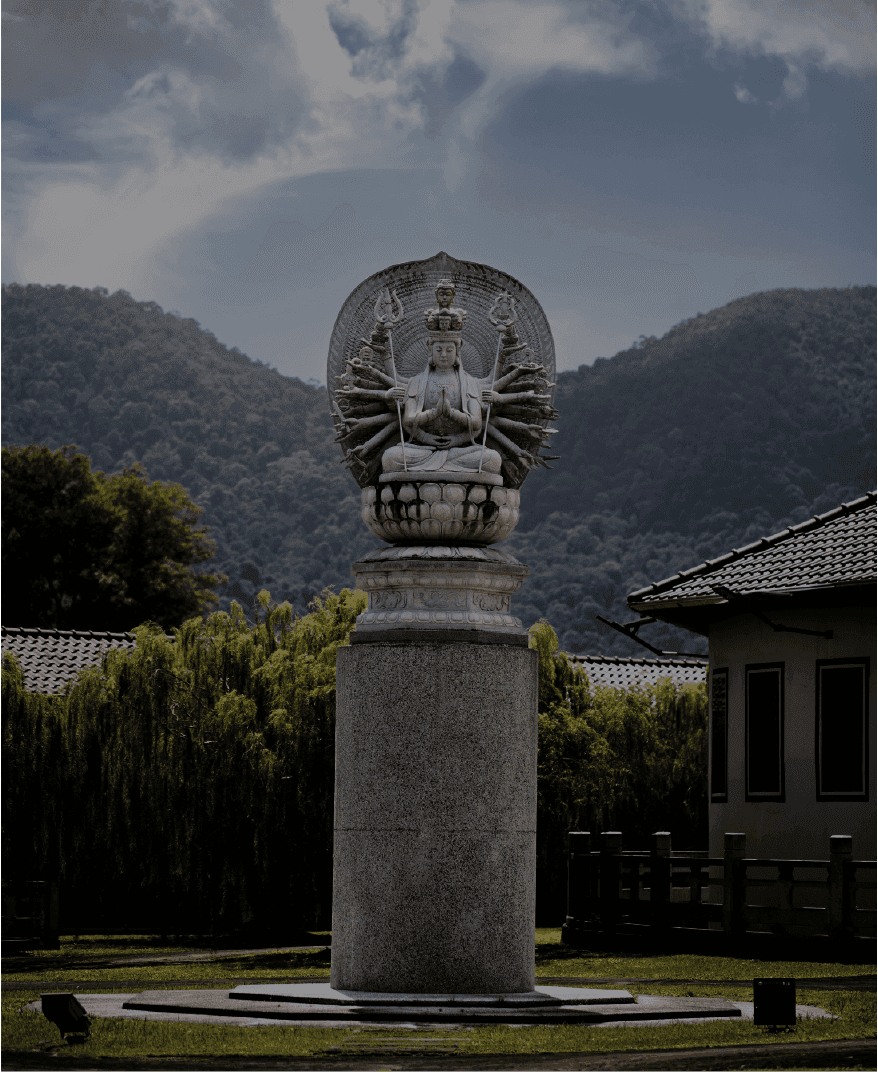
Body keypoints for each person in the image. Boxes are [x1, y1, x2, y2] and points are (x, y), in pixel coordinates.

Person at [380, 291, 502, 476]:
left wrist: (451, 415)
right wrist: (433, 418)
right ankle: (442, 467)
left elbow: (476, 423)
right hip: (422, 450)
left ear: (457, 351)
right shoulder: (416, 382)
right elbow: (408, 420)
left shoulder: (470, 383)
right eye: (438, 349)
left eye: (449, 350)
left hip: (461, 450)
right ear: (430, 350)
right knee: (391, 458)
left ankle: (437, 468)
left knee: (492, 460)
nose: (443, 355)